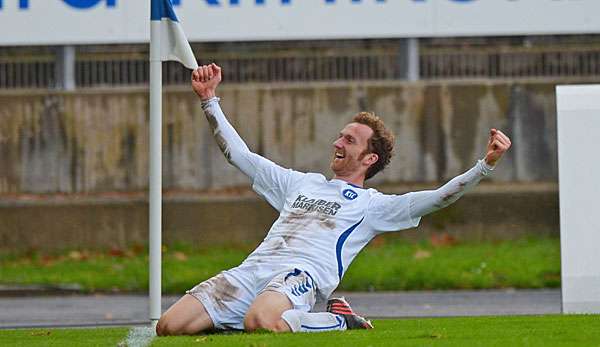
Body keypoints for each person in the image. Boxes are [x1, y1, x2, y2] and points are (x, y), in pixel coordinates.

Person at [156, 63, 512, 335]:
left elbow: (438, 198)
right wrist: (209, 100)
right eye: (340, 136)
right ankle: (246, 318)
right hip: (253, 270)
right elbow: (240, 155)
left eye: (350, 141)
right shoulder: (300, 183)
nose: (338, 143)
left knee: (261, 322)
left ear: (370, 159)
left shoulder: (373, 206)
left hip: (297, 275)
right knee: (169, 327)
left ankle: (337, 320)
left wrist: (485, 165)